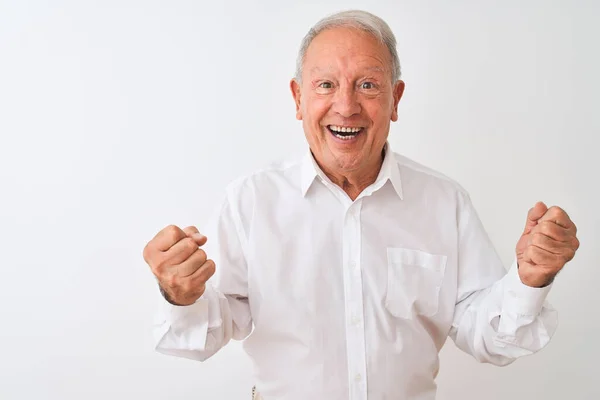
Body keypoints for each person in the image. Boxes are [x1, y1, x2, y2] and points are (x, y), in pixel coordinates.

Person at [143, 9, 580, 400]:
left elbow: (490, 337)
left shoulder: (444, 202)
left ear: (396, 98)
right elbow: (203, 336)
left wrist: (529, 279)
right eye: (326, 84)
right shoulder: (250, 201)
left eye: (367, 85)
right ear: (298, 98)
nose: (346, 106)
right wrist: (180, 294)